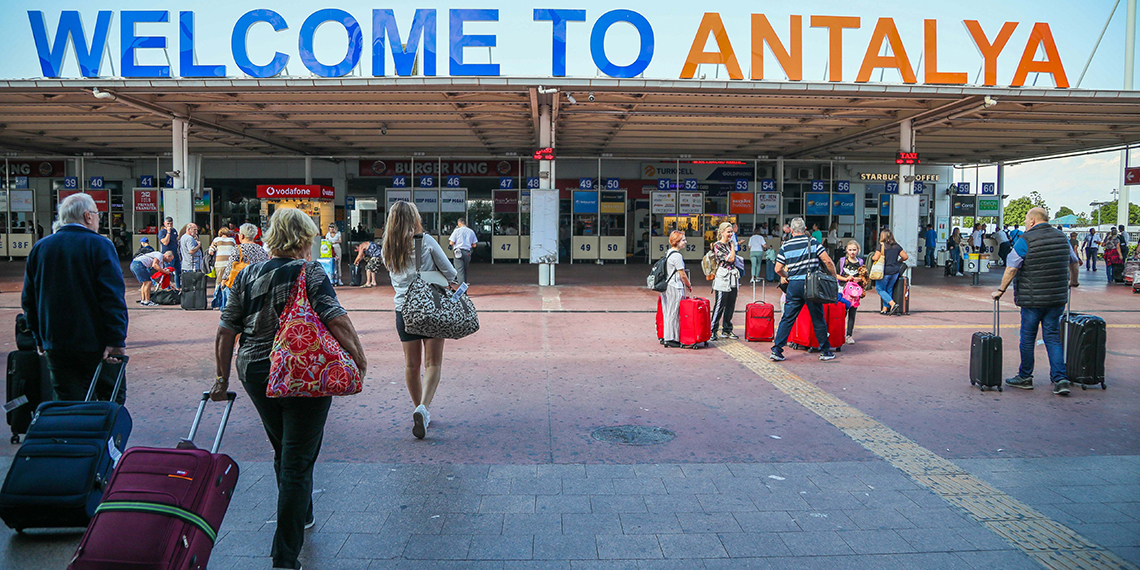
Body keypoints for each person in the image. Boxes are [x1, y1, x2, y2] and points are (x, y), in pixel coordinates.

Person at [214, 209, 366, 570]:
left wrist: (221, 378)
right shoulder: (309, 271)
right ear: (301, 239)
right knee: (297, 459)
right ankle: (285, 556)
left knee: (284, 446)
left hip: (254, 370)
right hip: (301, 370)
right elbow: (335, 316)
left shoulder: (247, 273)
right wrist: (359, 358)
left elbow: (225, 330)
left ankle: (304, 511)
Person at [22, 193, 128, 403]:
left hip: (55, 342)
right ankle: (101, 436)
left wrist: (39, 338)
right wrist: (116, 339)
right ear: (88, 216)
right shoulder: (100, 245)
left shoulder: (41, 248)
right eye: (98, 215)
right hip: (94, 342)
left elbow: (29, 300)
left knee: (66, 401)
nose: (98, 219)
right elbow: (112, 297)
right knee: (110, 399)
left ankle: (70, 436)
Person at [382, 200, 460, 440]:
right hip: (430, 307)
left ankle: (418, 409)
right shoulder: (425, 241)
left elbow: (394, 274)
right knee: (433, 364)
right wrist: (430, 274)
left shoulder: (388, 246)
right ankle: (424, 408)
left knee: (411, 365)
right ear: (414, 218)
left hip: (403, 309)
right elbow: (451, 273)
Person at [993, 208, 1079, 396]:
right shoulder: (1062, 238)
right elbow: (1074, 261)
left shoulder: (1026, 240)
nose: (1025, 222)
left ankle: (1025, 377)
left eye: (1025, 219)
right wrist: (1074, 281)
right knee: (1052, 337)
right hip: (1056, 298)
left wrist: (1001, 290)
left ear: (1032, 221)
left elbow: (1011, 268)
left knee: (1028, 337)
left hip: (1032, 300)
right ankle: (1060, 379)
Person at [770, 218, 838, 362]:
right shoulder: (813, 242)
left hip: (794, 285)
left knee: (788, 318)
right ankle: (825, 351)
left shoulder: (786, 246)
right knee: (818, 318)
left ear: (792, 231)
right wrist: (834, 276)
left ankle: (777, 349)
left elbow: (777, 269)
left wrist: (787, 275)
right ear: (805, 228)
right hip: (811, 284)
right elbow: (827, 261)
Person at [660, 230, 692, 348]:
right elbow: (682, 274)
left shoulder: (668, 253)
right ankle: (672, 338)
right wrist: (689, 285)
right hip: (675, 287)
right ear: (677, 242)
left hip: (666, 287)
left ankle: (666, 336)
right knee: (674, 313)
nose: (685, 242)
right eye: (683, 240)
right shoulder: (677, 256)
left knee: (667, 312)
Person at [710, 222, 740, 340]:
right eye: (728, 232)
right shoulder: (718, 246)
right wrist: (733, 247)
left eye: (731, 232)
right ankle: (713, 330)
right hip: (723, 277)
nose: (730, 234)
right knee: (720, 304)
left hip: (732, 277)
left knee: (731, 304)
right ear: (721, 232)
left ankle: (727, 329)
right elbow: (731, 259)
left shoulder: (728, 245)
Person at [219, 223, 270, 288]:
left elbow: (229, 267)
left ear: (242, 236)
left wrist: (223, 282)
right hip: (257, 285)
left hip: (241, 285)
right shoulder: (261, 249)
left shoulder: (238, 249)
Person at [872, 228, 909, 315]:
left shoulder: (881, 246)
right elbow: (905, 257)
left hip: (884, 271)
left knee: (880, 289)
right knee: (889, 289)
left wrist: (872, 257)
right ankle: (885, 309)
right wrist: (899, 261)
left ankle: (893, 304)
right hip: (895, 272)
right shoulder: (897, 246)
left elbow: (876, 258)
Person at [835, 240, 865, 344]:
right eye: (850, 250)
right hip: (843, 290)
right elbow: (836, 274)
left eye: (854, 250)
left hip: (854, 293)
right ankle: (838, 333)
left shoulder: (860, 262)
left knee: (852, 313)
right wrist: (846, 279)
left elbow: (864, 277)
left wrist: (859, 279)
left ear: (858, 250)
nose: (852, 252)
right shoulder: (842, 261)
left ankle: (849, 335)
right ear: (846, 250)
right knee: (841, 312)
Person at [208, 228, 237, 307]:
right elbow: (236, 250)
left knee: (218, 282)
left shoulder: (216, 239)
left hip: (219, 264)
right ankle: (228, 302)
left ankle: (217, 300)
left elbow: (210, 250)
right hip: (230, 264)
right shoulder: (232, 241)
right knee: (229, 282)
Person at [449, 217, 478, 284]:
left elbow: (451, 242)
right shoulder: (471, 231)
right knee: (465, 270)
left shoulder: (456, 231)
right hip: (467, 252)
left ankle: (462, 290)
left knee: (460, 271)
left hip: (458, 252)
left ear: (459, 223)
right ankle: (464, 284)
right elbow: (474, 245)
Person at [158, 216, 181, 287]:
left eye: (171, 223)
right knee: (168, 272)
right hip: (167, 255)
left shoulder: (174, 231)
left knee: (178, 271)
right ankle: (167, 288)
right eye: (168, 223)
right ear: (164, 223)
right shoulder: (162, 232)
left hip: (175, 253)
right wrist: (168, 232)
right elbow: (165, 242)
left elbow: (177, 240)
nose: (169, 225)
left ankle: (178, 287)